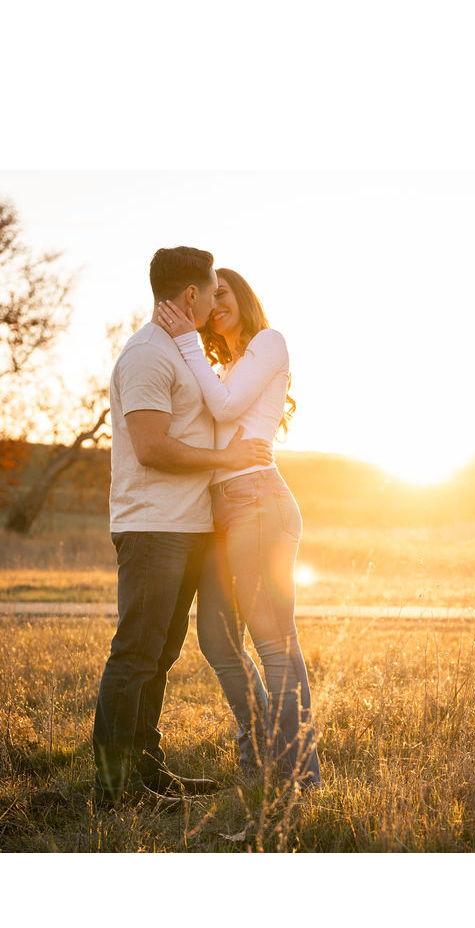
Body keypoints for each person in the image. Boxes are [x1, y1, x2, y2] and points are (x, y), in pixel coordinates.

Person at [92, 247, 273, 810]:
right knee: (135, 653)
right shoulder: (147, 354)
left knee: (160, 654)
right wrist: (227, 459)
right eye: (212, 290)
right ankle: (116, 790)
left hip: (186, 526)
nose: (217, 300)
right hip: (153, 528)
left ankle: (146, 770)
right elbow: (151, 448)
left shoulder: (177, 350)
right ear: (191, 294)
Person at [154, 268, 322, 789]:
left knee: (274, 643)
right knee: (218, 639)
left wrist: (185, 339)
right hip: (222, 509)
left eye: (222, 293)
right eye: (211, 297)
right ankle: (262, 751)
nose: (216, 304)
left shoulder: (269, 343)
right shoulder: (222, 365)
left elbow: (225, 408)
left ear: (242, 296)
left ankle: (299, 776)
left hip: (258, 501)